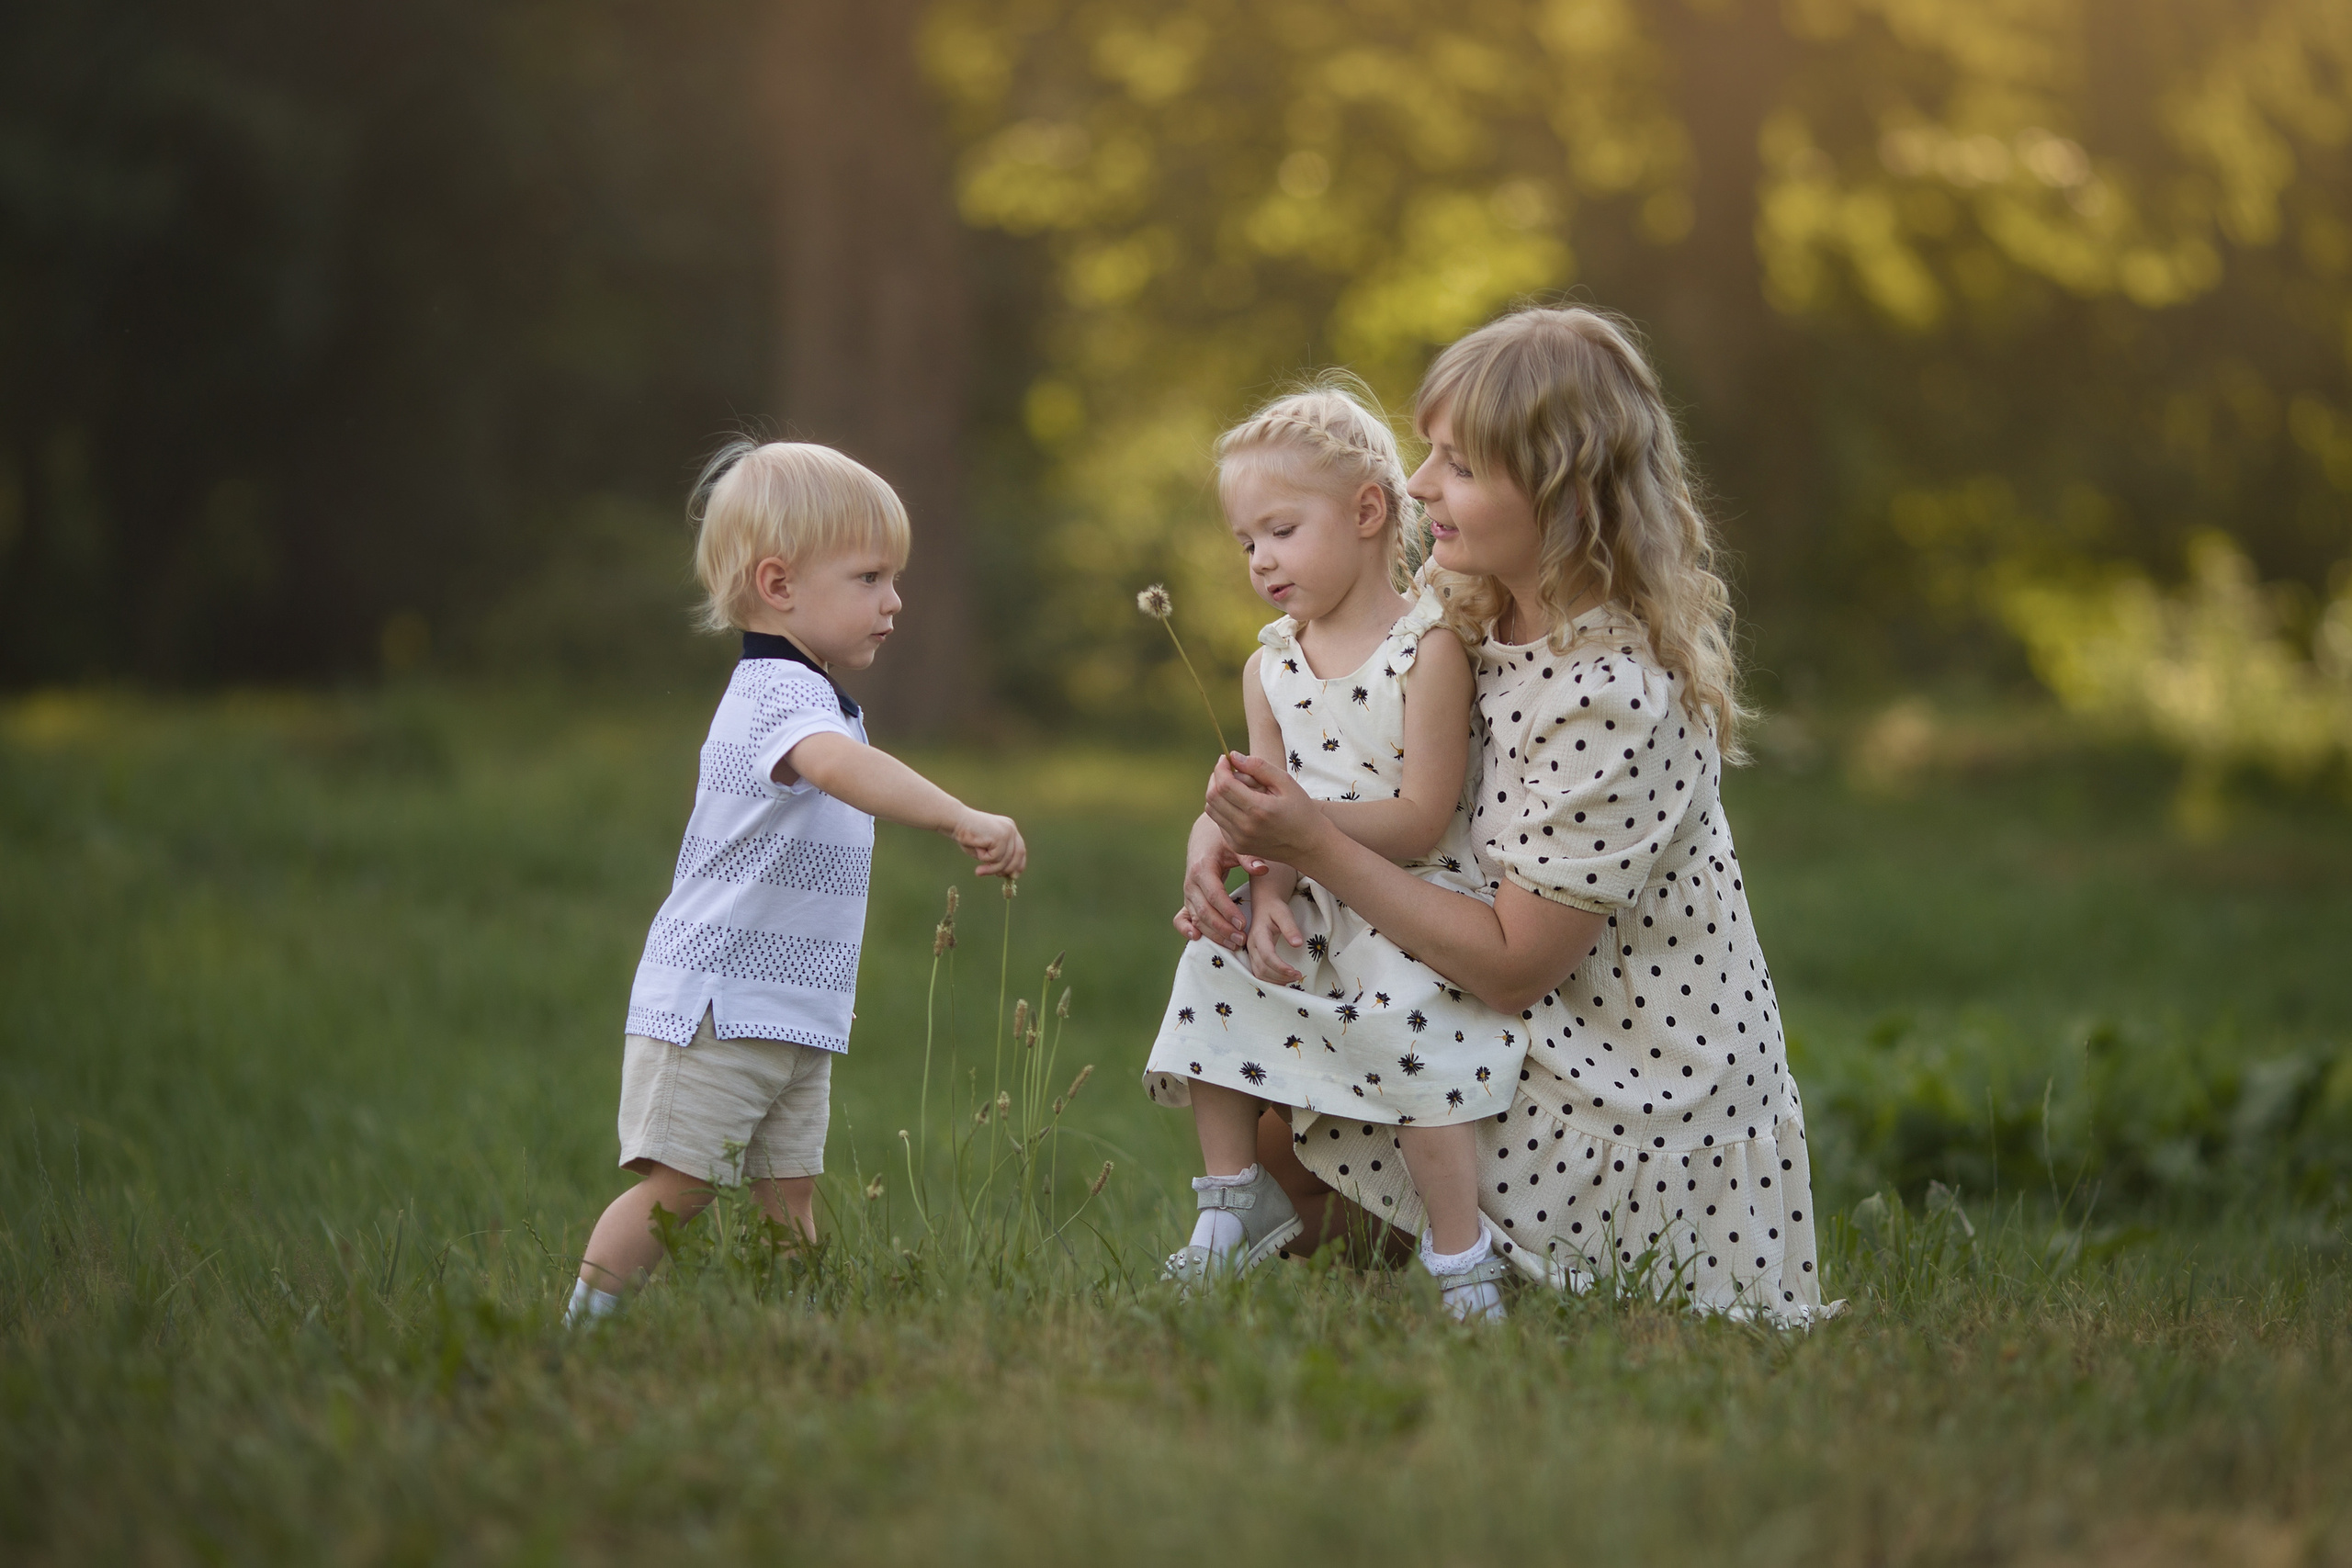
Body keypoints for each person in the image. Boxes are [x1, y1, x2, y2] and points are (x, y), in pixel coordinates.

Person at [1193, 309, 1830, 1323]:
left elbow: (1511, 961)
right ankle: (1431, 1250)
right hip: (1513, 1020)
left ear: (1559, 493)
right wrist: (1233, 838)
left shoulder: (1612, 690)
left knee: (1303, 1140)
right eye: (1429, 451)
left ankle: (1527, 1261)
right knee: (1273, 1110)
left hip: (1622, 1086)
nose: (1416, 485)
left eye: (1459, 465)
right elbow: (1335, 732)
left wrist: (1310, 840)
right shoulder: (1470, 593)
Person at [566, 441, 1025, 1325]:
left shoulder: (823, 698)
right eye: (868, 577)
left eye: (894, 577)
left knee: (792, 1197)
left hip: (787, 1007)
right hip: (717, 1003)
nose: (894, 600)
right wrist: (960, 815)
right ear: (779, 586)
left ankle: (793, 1339)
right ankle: (574, 1329)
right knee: (680, 1190)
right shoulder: (777, 696)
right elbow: (843, 771)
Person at [1142, 378, 1518, 1322]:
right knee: (1210, 967)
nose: (1261, 560)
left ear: (1364, 513)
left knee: (1421, 1029)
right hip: (1309, 904)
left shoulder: (1425, 650)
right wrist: (1256, 894)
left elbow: (1422, 816)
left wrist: (1300, 831)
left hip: (1406, 902)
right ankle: (1232, 1202)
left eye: (1280, 530)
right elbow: (1253, 800)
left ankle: (1457, 1250)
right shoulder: (1268, 665)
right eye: (1247, 542)